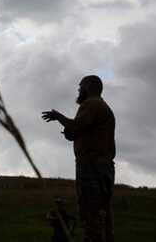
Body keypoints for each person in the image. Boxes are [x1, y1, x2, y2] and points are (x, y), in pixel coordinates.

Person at [42, 75, 115, 242]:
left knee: (90, 214)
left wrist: (57, 116)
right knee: (103, 214)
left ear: (88, 87)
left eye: (80, 87)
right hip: (104, 167)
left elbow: (76, 126)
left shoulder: (91, 104)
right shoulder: (104, 107)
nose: (79, 90)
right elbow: (79, 131)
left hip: (91, 166)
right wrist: (71, 133)